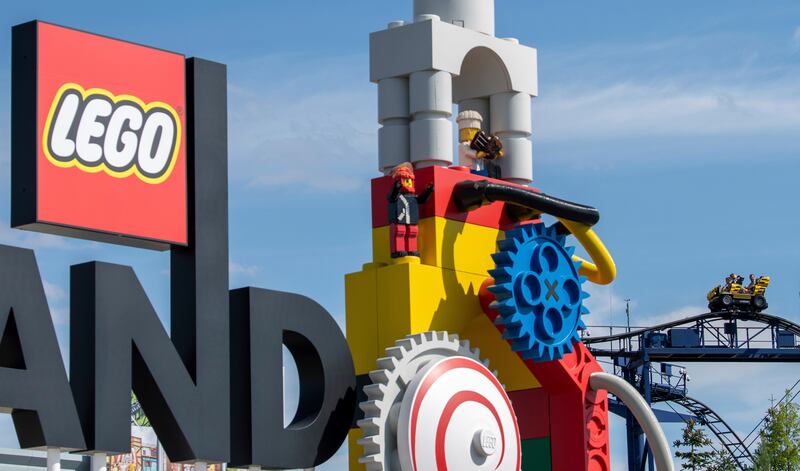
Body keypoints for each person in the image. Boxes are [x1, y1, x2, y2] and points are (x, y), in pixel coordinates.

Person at [387, 163, 434, 258]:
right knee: (400, 232)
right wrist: (396, 188)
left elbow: (421, 199)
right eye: (405, 180)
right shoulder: (397, 196)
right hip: (399, 219)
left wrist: (428, 190)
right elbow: (392, 197)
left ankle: (411, 250)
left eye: (409, 181)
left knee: (412, 232)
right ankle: (398, 250)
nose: (408, 183)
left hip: (411, 220)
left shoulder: (412, 197)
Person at [456, 110, 505, 178]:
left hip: (479, 170)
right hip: (469, 170)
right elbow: (474, 154)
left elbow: (485, 155)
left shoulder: (478, 145)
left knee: (486, 174)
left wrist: (495, 152)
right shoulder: (463, 145)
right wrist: (485, 151)